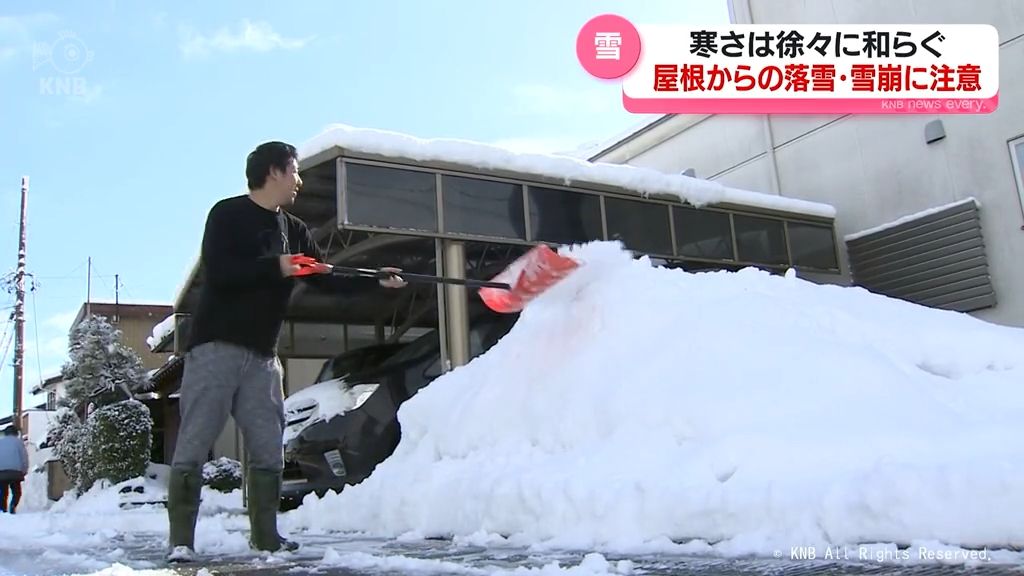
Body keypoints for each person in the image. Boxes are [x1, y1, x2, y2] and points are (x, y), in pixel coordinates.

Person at [166, 141, 407, 562]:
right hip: (216, 348)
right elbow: (221, 274)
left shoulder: (293, 229)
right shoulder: (227, 215)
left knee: (267, 446)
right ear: (274, 171)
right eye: (294, 171)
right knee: (195, 440)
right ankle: (181, 542)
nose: (298, 181)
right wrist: (275, 267)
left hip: (262, 358)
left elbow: (323, 276)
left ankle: (265, 536)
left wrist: (374, 279)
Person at [0, 425, 29, 514]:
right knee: (17, 492)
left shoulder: (0, 442)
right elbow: (24, 457)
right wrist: (24, 470)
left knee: (2, 492)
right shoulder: (19, 442)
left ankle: (2, 510)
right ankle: (13, 505)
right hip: (15, 472)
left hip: (1, 472)